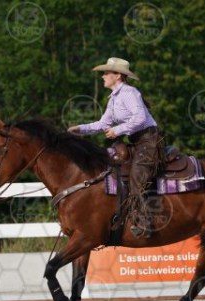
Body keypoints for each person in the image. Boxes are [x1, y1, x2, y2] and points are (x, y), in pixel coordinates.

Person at [68, 57, 163, 238]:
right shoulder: (113, 98)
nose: (103, 76)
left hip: (150, 140)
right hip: (138, 141)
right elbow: (102, 124)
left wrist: (117, 130)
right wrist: (79, 129)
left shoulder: (129, 92)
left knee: (137, 176)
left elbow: (140, 118)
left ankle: (145, 222)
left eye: (106, 73)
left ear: (117, 75)